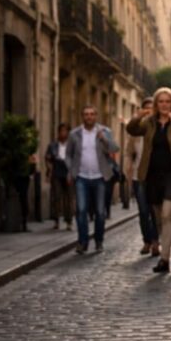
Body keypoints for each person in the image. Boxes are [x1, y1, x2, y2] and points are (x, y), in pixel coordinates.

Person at [126, 87, 171, 273]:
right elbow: (132, 129)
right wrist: (138, 115)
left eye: (168, 101)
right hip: (152, 175)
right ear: (156, 104)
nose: (165, 105)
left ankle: (164, 260)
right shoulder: (149, 123)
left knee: (167, 215)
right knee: (162, 219)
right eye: (161, 101)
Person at [65, 105, 119, 253]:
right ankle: (82, 242)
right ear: (82, 117)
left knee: (100, 212)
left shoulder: (105, 131)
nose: (89, 117)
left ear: (96, 116)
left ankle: (99, 240)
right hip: (81, 177)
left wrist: (104, 140)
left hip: (100, 177)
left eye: (92, 114)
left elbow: (114, 149)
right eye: (86, 114)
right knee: (81, 210)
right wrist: (71, 170)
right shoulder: (74, 134)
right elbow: (68, 154)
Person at [127, 98, 159, 256]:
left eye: (150, 109)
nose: (148, 112)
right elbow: (129, 154)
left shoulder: (158, 128)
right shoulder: (136, 132)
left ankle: (155, 242)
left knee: (155, 212)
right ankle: (146, 240)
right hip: (138, 177)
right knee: (143, 211)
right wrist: (128, 173)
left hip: (155, 176)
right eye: (145, 109)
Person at [45, 123, 73, 231]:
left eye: (65, 131)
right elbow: (48, 158)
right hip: (57, 170)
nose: (63, 133)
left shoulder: (71, 146)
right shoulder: (52, 145)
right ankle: (56, 220)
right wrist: (49, 170)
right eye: (61, 131)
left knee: (68, 198)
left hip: (68, 171)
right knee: (56, 197)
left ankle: (69, 221)